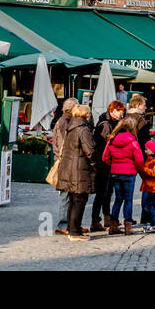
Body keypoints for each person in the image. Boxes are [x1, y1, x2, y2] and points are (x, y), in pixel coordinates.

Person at [57, 102, 96, 241]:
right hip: (80, 169)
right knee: (79, 200)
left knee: (73, 200)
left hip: (70, 168)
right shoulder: (83, 129)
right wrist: (95, 165)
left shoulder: (71, 127)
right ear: (86, 114)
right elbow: (89, 150)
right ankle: (74, 232)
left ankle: (73, 228)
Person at [103, 116, 145, 235]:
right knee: (128, 200)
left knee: (118, 199)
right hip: (129, 173)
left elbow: (105, 157)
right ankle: (128, 226)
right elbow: (139, 160)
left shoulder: (111, 140)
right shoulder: (133, 142)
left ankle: (113, 225)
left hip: (115, 173)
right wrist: (140, 172)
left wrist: (114, 165)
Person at [90, 100, 126, 232]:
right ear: (112, 111)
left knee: (108, 191)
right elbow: (104, 145)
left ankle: (106, 218)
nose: (122, 114)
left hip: (108, 162)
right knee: (102, 192)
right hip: (104, 163)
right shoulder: (106, 125)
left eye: (123, 112)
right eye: (120, 112)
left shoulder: (113, 122)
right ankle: (96, 220)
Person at [52, 97, 81, 235]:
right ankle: (63, 224)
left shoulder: (65, 120)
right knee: (65, 194)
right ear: (71, 108)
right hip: (64, 161)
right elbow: (64, 144)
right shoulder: (65, 122)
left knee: (69, 193)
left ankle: (69, 223)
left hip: (65, 160)